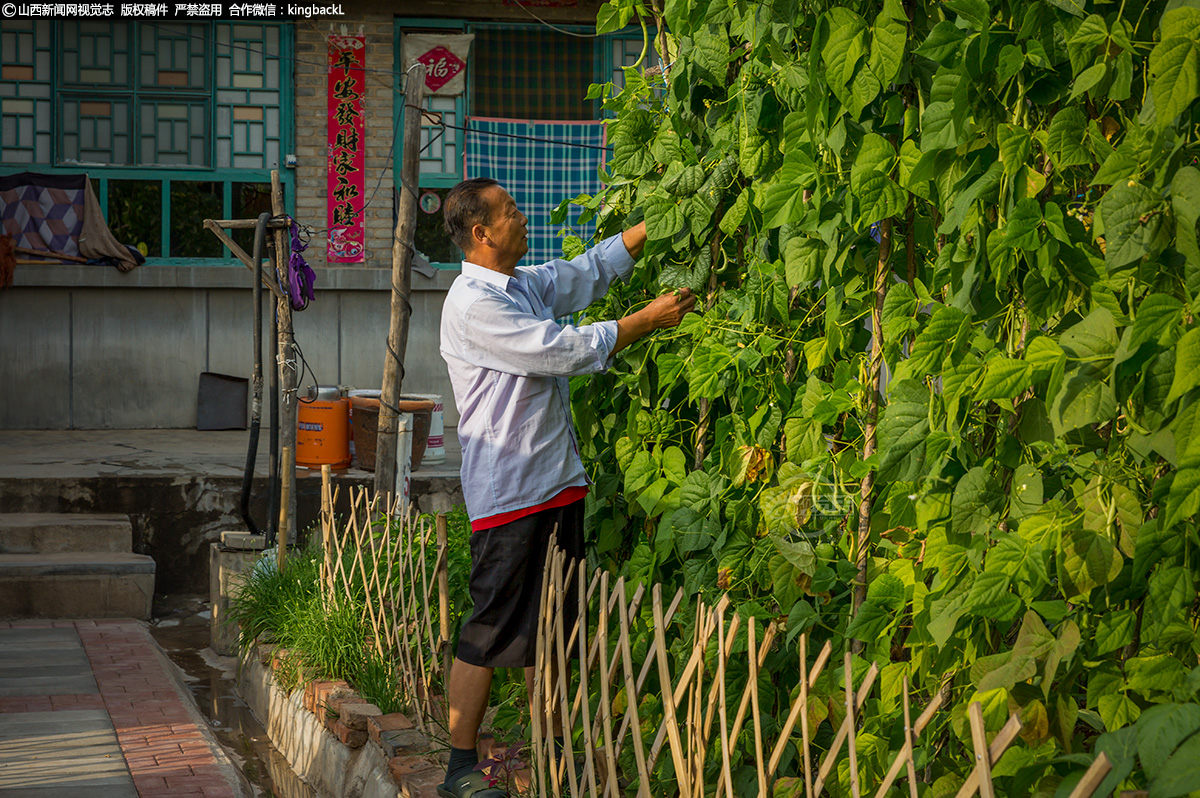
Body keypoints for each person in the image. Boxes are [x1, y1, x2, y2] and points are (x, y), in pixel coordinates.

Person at [437, 178, 695, 798]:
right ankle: (458, 768)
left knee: (554, 626)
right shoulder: (474, 306)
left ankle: (549, 751)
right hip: (511, 494)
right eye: (510, 212)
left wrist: (654, 224)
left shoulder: (520, 285)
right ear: (481, 233)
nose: (522, 218)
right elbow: (558, 351)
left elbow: (582, 274)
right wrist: (645, 321)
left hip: (556, 485)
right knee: (491, 627)